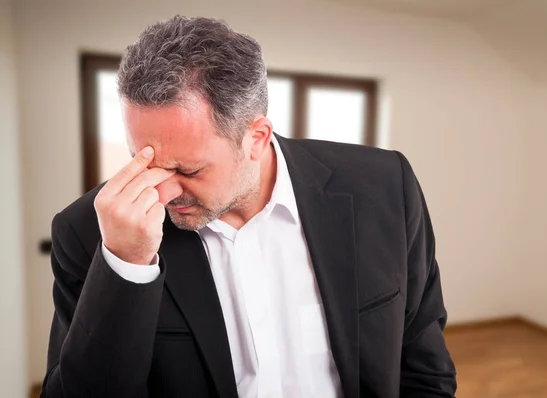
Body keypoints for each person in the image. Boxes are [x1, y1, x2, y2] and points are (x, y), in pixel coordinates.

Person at [42, 15, 457, 398]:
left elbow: (422, 358)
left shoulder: (384, 186)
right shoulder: (88, 232)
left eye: (188, 169)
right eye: (144, 161)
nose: (162, 192)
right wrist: (126, 265)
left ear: (256, 137)